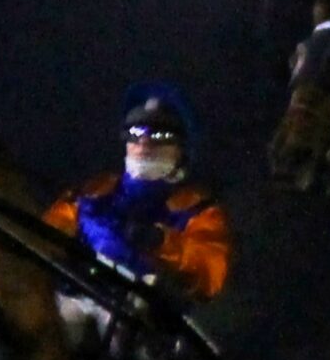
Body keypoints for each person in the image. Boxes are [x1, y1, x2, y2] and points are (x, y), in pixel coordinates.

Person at [46, 82, 232, 329]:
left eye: (158, 136)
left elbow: (210, 273)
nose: (144, 143)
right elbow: (44, 234)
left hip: (141, 318)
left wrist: (160, 241)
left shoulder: (198, 210)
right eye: (135, 133)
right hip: (74, 294)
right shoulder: (94, 191)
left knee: (126, 332)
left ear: (181, 150)